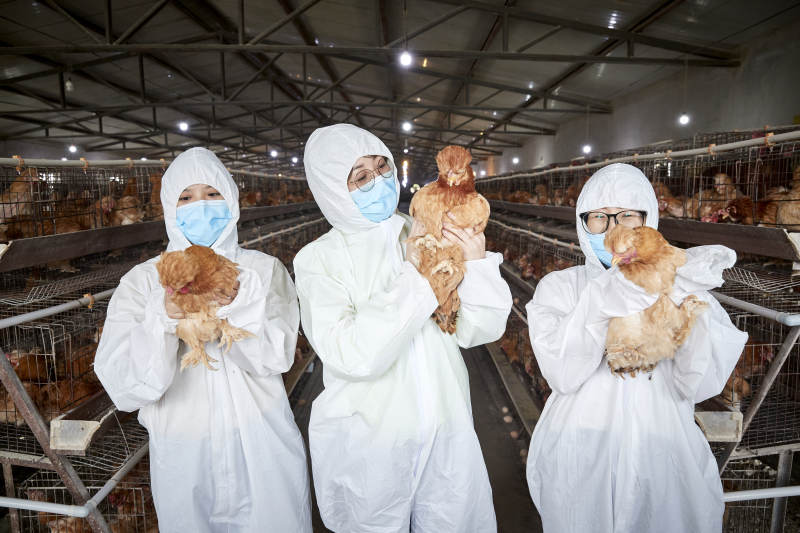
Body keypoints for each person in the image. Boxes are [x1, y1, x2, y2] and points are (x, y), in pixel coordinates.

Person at [294, 123, 512, 532]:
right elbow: (352, 354)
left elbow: (479, 330)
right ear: (331, 189)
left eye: (382, 167)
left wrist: (478, 265)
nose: (379, 180)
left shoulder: (426, 229)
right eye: (360, 176)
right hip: (369, 445)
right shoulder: (317, 260)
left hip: (446, 429)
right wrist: (417, 279)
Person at [94, 147, 312, 532]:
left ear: (232, 201)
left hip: (261, 440)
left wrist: (235, 307)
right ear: (169, 207)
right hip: (184, 451)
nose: (202, 206)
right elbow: (126, 388)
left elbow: (276, 357)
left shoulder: (262, 270)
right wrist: (162, 318)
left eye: (213, 194)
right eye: (186, 197)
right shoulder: (143, 282)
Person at [524, 163, 748, 532]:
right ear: (583, 223)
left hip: (661, 441)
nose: (614, 228)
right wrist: (601, 300)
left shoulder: (676, 283)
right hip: (582, 442)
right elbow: (563, 374)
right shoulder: (562, 287)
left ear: (648, 219)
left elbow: (698, 385)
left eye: (627, 216)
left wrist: (688, 309)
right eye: (599, 217)